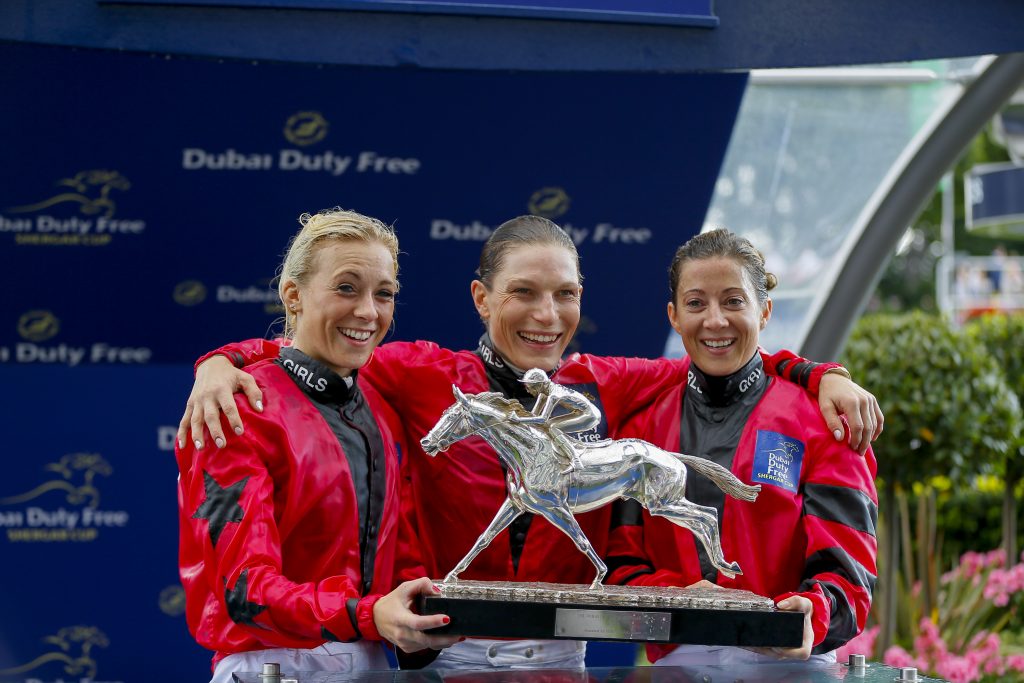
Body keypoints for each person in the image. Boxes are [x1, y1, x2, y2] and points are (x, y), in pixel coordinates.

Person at [178, 215, 882, 671]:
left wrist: (818, 374)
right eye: (524, 292)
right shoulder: (417, 372)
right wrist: (222, 360)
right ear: (482, 299)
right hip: (442, 655)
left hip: (561, 657)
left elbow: (721, 357)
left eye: (566, 294)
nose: (547, 316)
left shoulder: (608, 380)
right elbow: (313, 350)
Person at [176, 209, 457, 683]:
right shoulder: (239, 406)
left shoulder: (378, 402)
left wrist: (423, 621)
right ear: (294, 295)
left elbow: (396, 554)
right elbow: (245, 592)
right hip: (270, 667)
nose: (368, 311)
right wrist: (370, 615)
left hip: (372, 664)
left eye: (383, 294)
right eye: (346, 288)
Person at [605, 228, 878, 672]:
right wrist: (678, 597)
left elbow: (850, 577)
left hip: (791, 667)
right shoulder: (640, 427)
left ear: (764, 311)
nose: (715, 320)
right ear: (673, 316)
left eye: (733, 301)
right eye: (696, 303)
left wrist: (811, 611)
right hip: (677, 666)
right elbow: (620, 567)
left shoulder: (825, 420)